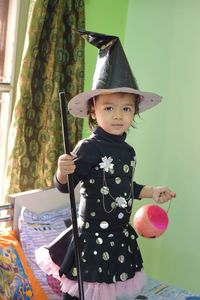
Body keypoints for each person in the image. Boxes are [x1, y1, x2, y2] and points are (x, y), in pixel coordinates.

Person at [35, 30, 176, 300]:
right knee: (80, 294)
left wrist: (152, 191)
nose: (118, 115)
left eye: (126, 108)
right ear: (93, 110)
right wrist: (61, 173)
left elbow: (123, 187)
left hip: (119, 238)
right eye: (109, 108)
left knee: (109, 294)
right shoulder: (88, 147)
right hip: (90, 240)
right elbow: (66, 187)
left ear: (135, 111)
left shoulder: (128, 151)